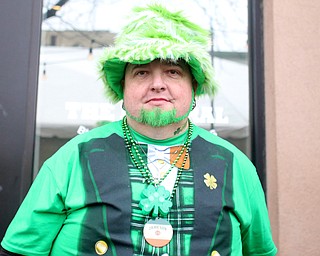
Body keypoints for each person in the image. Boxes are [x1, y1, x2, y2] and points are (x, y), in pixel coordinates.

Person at [0, 3, 277, 256]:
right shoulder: (74, 157)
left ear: (194, 88)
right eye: (142, 72)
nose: (157, 84)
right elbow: (20, 252)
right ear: (122, 88)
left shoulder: (234, 165)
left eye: (173, 72)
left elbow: (260, 252)